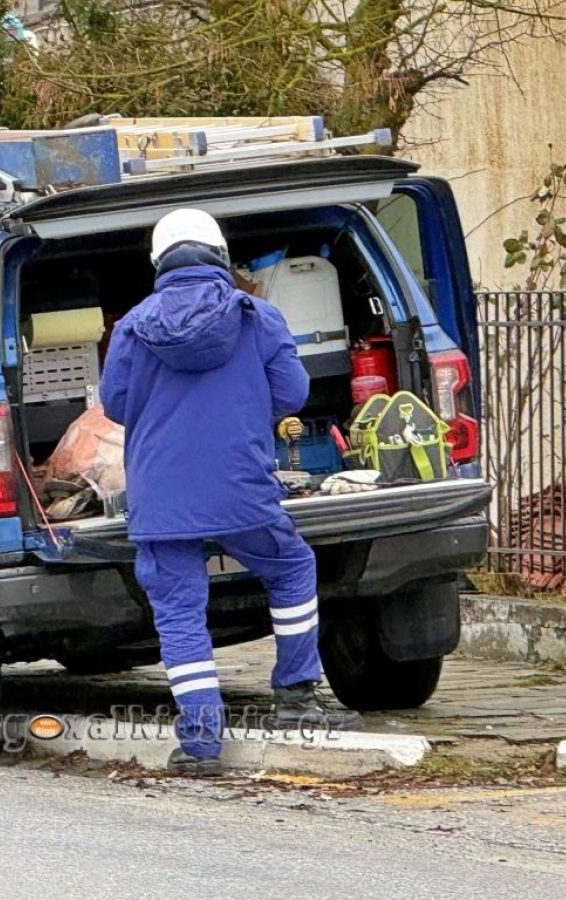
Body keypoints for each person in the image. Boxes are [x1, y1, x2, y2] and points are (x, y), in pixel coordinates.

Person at [100, 208, 362, 775]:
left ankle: (200, 743)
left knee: (179, 612)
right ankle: (295, 698)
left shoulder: (131, 328)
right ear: (220, 256)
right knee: (290, 567)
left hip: (161, 497)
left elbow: (117, 405)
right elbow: (292, 394)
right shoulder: (260, 318)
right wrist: (243, 407)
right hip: (242, 489)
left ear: (158, 263)